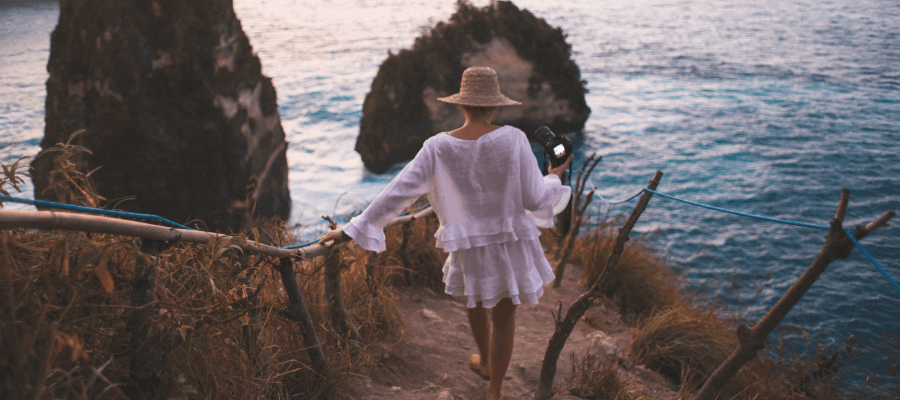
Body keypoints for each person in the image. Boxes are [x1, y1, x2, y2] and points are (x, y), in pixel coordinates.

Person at [320, 66, 571, 400]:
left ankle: (484, 360)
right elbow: (536, 199)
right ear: (495, 106)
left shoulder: (437, 147)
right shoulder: (514, 140)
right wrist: (554, 176)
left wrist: (353, 230)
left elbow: (398, 191)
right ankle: (494, 388)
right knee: (505, 318)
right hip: (511, 243)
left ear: (461, 105)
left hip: (468, 245)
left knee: (475, 297)